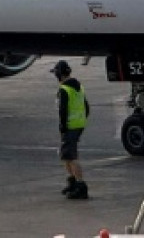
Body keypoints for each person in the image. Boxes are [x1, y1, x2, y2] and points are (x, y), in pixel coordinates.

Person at [53, 60, 89, 199]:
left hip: (69, 126)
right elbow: (86, 107)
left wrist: (62, 126)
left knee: (71, 157)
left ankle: (81, 185)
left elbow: (63, 110)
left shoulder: (64, 90)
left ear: (59, 75)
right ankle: (72, 181)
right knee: (66, 156)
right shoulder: (79, 87)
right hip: (78, 124)